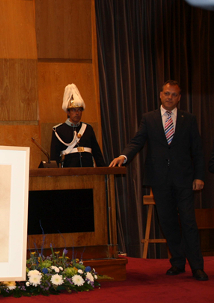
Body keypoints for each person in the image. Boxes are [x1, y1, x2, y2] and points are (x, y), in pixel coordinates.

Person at [110, 80, 207, 281]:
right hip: (160, 180)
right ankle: (178, 263)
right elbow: (137, 141)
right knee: (169, 223)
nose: (170, 97)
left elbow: (197, 150)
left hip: (184, 180)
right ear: (160, 95)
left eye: (174, 94)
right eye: (167, 93)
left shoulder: (188, 119)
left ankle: (197, 266)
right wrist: (124, 156)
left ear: (179, 98)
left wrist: (199, 176)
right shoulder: (149, 118)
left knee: (189, 222)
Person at [50, 84, 105, 167]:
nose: (77, 113)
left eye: (79, 110)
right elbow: (54, 156)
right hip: (69, 172)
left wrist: (103, 171)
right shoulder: (58, 130)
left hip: (88, 170)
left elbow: (97, 153)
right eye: (74, 110)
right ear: (68, 112)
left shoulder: (88, 129)